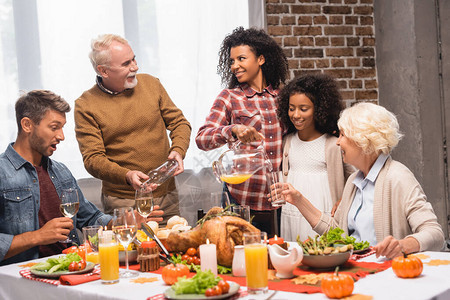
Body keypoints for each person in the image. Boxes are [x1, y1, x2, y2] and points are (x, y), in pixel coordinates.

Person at [0, 90, 163, 266]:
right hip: (21, 280)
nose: (61, 136)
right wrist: (37, 236)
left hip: (74, 269)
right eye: (54, 127)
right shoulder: (2, 172)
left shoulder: (61, 172)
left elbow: (91, 219)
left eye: (62, 127)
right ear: (27, 125)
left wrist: (123, 223)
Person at [270, 102, 445, 259]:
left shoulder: (398, 176)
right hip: (357, 272)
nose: (338, 142)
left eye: (343, 135)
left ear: (363, 140)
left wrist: (402, 246)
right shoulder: (354, 180)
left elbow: (434, 233)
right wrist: (298, 200)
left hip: (387, 275)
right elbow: (336, 232)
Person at [74, 34, 191, 223]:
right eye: (126, 63)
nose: (135, 67)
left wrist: (178, 150)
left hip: (166, 195)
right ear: (103, 71)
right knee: (133, 252)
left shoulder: (152, 84)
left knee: (172, 248)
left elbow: (179, 123)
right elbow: (92, 159)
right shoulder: (86, 105)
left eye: (134, 58)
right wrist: (126, 175)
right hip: (123, 202)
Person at [196, 27, 288, 236]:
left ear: (261, 59)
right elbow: (202, 138)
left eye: (241, 59)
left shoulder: (283, 97)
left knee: (275, 261)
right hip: (241, 201)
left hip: (279, 201)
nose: (235, 66)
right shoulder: (229, 97)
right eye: (231, 61)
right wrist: (233, 130)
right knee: (240, 263)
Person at [277, 74, 355, 242]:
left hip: (322, 209)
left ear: (319, 109)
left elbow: (355, 177)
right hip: (291, 211)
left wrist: (343, 199)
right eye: (292, 108)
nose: (296, 114)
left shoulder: (333, 144)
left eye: (303, 109)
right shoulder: (287, 142)